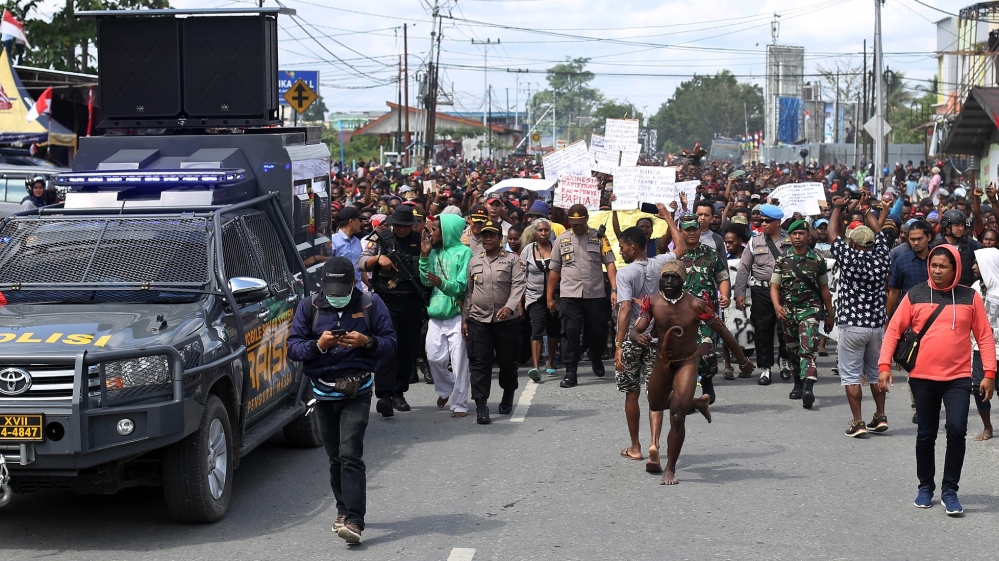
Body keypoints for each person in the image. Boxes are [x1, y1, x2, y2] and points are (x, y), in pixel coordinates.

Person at [287, 257, 398, 545]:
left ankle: (355, 520)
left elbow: (390, 344)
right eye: (332, 292)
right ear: (322, 286)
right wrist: (318, 345)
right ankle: (342, 510)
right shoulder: (308, 306)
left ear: (353, 284)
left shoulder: (371, 304)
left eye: (343, 291)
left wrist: (366, 342)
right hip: (323, 392)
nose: (337, 297)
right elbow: (293, 348)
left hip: (357, 391)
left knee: (350, 454)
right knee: (334, 456)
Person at [878, 245, 996, 515]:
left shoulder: (970, 297)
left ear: (955, 268)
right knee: (926, 434)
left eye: (944, 266)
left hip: (958, 378)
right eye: (934, 265)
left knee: (956, 431)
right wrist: (884, 365)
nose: (937, 270)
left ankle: (950, 490)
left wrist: (989, 373)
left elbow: (985, 336)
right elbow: (894, 330)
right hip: (922, 378)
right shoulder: (916, 294)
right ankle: (925, 486)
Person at [629, 261, 754, 484]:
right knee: (654, 403)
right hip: (662, 361)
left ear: (683, 281)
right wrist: (637, 336)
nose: (668, 282)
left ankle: (670, 469)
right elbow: (636, 328)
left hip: (687, 362)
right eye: (665, 277)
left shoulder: (696, 305)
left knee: (677, 416)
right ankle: (696, 403)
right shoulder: (654, 302)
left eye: (674, 278)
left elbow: (722, 331)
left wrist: (742, 360)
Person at [829, 195, 891, 436]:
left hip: (852, 326)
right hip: (877, 327)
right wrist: (867, 211)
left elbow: (833, 232)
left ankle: (858, 421)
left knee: (851, 376)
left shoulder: (849, 256)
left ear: (853, 243)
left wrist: (837, 207)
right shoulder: (883, 255)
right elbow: (881, 232)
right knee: (876, 374)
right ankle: (881, 415)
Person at [359, 206, 425, 416]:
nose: (402, 230)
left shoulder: (419, 240)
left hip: (412, 302)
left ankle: (399, 392)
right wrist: (378, 259)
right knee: (387, 347)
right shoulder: (380, 238)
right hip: (386, 302)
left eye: (406, 226)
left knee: (407, 350)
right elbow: (361, 263)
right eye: (399, 225)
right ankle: (385, 395)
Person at [463, 220, 527, 424]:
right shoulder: (474, 261)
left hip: (506, 321)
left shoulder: (512, 260)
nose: (488, 239)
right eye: (485, 235)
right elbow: (469, 293)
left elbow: (519, 285)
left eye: (492, 235)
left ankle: (508, 394)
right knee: (480, 364)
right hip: (479, 320)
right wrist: (465, 318)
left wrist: (509, 306)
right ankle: (481, 405)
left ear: (501, 239)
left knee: (507, 363)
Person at [547, 204, 617, 388]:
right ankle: (571, 371)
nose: (577, 227)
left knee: (598, 331)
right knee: (570, 332)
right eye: (574, 223)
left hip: (595, 294)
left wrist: (615, 290)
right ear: (569, 221)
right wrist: (549, 297)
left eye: (580, 223)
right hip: (570, 294)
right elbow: (554, 270)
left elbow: (610, 264)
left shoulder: (599, 238)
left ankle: (595, 356)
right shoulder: (561, 241)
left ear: (586, 219)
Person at [770, 220, 835, 409]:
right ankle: (797, 383)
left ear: (808, 236)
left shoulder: (817, 259)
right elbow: (774, 287)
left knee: (807, 349)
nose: (797, 237)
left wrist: (830, 314)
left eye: (801, 233)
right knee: (792, 350)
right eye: (794, 234)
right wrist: (776, 306)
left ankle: (808, 387)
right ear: (789, 237)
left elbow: (824, 289)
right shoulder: (782, 260)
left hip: (810, 310)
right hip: (788, 311)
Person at [419, 214, 472, 418]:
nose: (431, 234)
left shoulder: (464, 252)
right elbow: (425, 282)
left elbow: (462, 285)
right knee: (433, 357)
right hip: (436, 314)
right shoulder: (432, 252)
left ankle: (459, 403)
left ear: (448, 230)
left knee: (459, 362)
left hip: (457, 314)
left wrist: (443, 284)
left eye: (435, 230)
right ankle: (446, 388)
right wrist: (424, 258)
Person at [675, 214, 730, 404]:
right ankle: (687, 398)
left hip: (705, 315)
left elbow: (722, 277)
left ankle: (707, 379)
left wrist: (725, 295)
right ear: (680, 231)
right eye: (687, 229)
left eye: (694, 228)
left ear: (699, 230)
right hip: (679, 317)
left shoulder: (711, 254)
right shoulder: (675, 256)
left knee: (706, 355)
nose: (691, 232)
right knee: (683, 359)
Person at [735, 204, 792, 385]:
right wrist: (739, 292)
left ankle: (784, 361)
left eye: (767, 221)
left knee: (786, 328)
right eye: (761, 221)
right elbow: (744, 268)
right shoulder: (754, 241)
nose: (763, 224)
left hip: (785, 290)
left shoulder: (790, 240)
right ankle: (765, 368)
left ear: (778, 222)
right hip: (761, 290)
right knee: (762, 330)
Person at [521, 219, 561, 379]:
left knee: (553, 329)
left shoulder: (556, 247)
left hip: (555, 296)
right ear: (535, 232)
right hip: (534, 295)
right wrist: (519, 300)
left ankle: (550, 361)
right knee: (536, 329)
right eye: (540, 230)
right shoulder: (528, 250)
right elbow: (521, 275)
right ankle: (536, 367)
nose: (544, 233)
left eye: (546, 230)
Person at [972, 247, 999, 441]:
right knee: (978, 387)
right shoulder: (975, 288)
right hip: (979, 349)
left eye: (978, 264)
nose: (974, 267)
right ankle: (987, 427)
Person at [331, 207, 364, 289]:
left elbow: (360, 268)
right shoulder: (333, 241)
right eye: (359, 221)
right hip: (339, 291)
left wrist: (370, 285)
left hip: (358, 290)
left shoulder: (357, 241)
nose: (361, 224)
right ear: (351, 221)